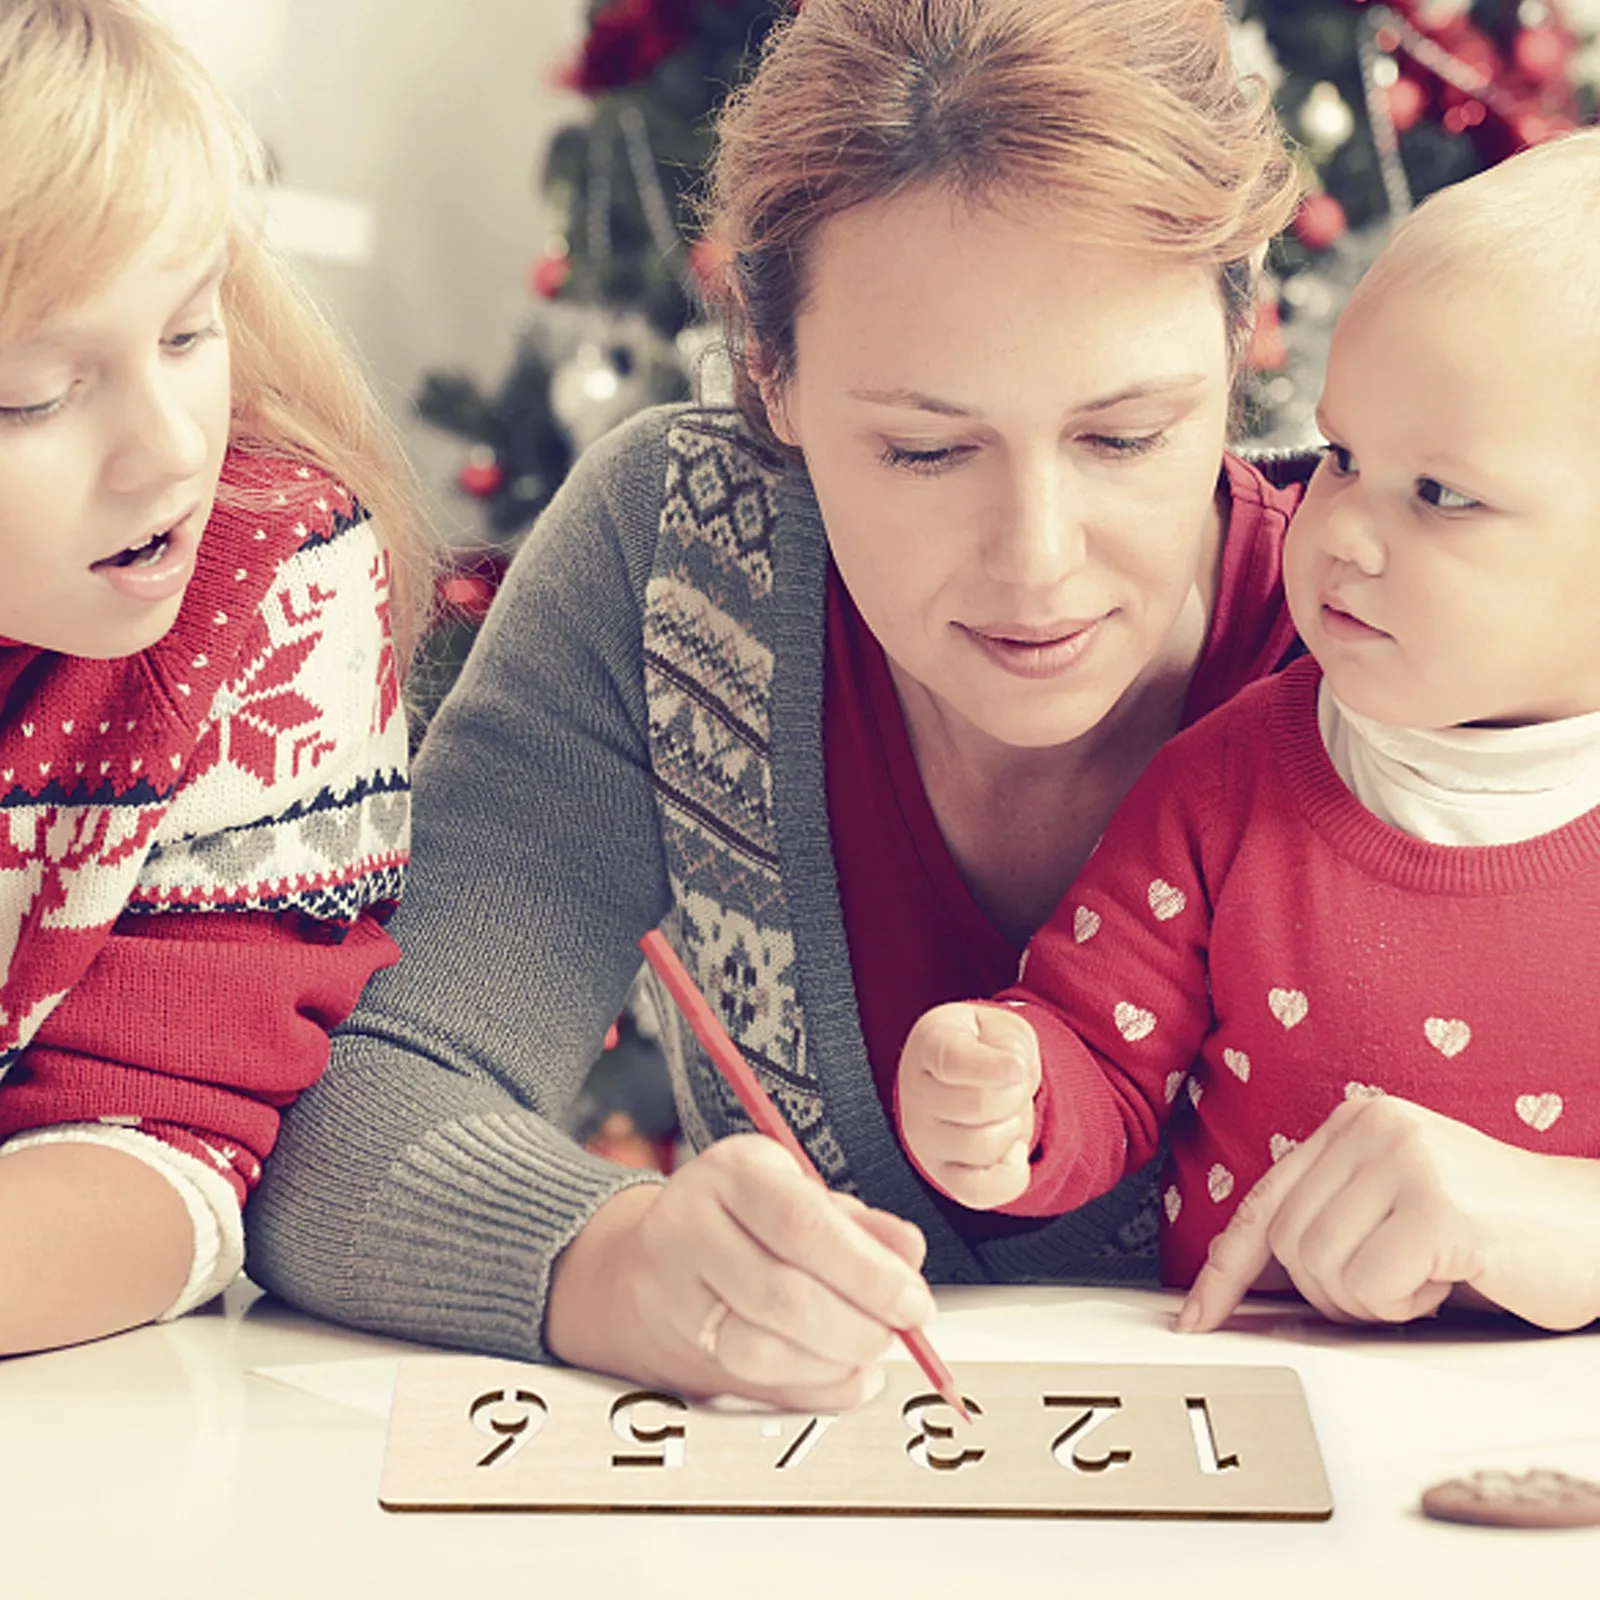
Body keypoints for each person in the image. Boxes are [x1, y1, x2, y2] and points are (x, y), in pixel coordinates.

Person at [249, 0, 1311, 1411]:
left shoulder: (1389, 600)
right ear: (773, 376)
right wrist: (605, 1260)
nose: (1038, 558)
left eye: (1126, 436)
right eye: (927, 450)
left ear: (1244, 340)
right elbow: (356, 1090)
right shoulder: (676, 558)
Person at [897, 131, 1600, 1340]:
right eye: (1344, 457)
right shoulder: (1229, 778)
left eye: (1440, 494)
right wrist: (1007, 1090)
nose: (1344, 535)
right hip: (1259, 1395)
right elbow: (1101, 1052)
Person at [0, 0, 432, 1354]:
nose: (167, 449)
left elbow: (170, 1138)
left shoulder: (271, 585)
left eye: (191, 331)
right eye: (32, 397)